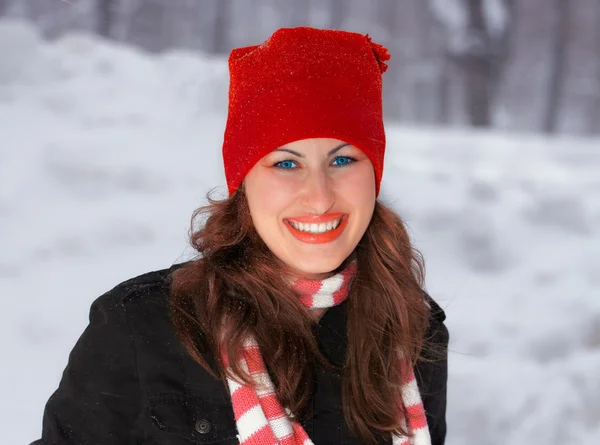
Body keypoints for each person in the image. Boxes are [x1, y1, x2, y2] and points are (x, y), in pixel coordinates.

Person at [32, 27, 448, 445]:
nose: (320, 198)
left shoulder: (411, 328)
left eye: (343, 159)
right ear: (243, 184)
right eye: (286, 164)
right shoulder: (141, 326)